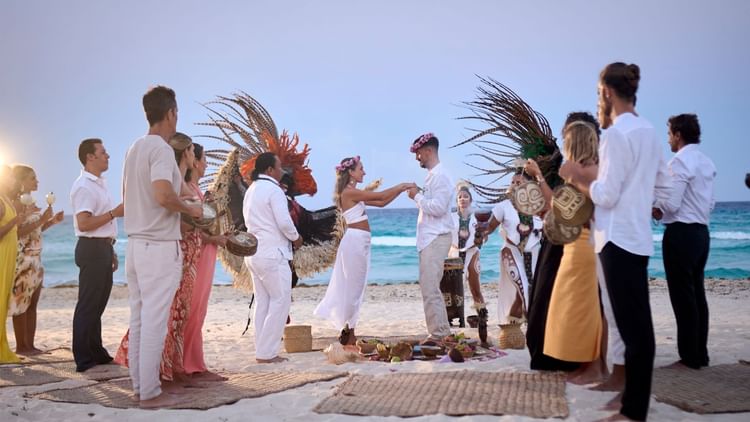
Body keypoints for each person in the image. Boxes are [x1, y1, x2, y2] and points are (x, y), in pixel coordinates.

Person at [561, 62, 671, 421]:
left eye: (597, 93)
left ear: (607, 92)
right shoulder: (650, 131)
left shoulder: (617, 135)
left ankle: (633, 411)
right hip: (637, 237)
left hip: (616, 240)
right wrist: (641, 204)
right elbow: (662, 188)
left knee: (631, 328)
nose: (598, 101)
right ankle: (631, 404)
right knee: (638, 327)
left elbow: (605, 195)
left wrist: (577, 177)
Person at [120, 86, 202, 408]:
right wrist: (191, 209)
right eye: (177, 113)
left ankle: (141, 387)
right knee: (155, 320)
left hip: (136, 245)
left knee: (140, 319)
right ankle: (151, 393)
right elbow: (163, 195)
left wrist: (182, 193)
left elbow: (134, 197)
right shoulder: (161, 150)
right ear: (170, 114)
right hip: (158, 245)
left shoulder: (134, 148)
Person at [315, 156, 413, 344]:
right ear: (350, 172)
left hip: (360, 243)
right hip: (354, 243)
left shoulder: (353, 192)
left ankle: (350, 331)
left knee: (356, 288)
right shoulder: (348, 192)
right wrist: (401, 186)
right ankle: (348, 333)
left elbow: (383, 203)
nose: (364, 172)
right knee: (353, 289)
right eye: (361, 168)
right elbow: (380, 196)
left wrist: (401, 191)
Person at [537, 121, 606, 385]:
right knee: (568, 304)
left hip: (584, 244)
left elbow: (579, 210)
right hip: (575, 244)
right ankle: (583, 362)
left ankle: (593, 364)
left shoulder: (590, 170)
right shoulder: (581, 170)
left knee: (581, 307)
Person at [653, 113, 715, 370]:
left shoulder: (679, 162)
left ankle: (689, 357)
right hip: (702, 233)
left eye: (669, 134)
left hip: (680, 233)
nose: (668, 139)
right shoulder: (706, 161)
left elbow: (672, 203)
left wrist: (654, 209)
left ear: (678, 134)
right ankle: (700, 354)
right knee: (697, 294)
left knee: (682, 297)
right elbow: (710, 203)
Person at [70, 138, 124, 372]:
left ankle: (97, 351)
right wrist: (115, 213)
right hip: (91, 249)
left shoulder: (99, 184)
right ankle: (83, 358)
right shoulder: (84, 186)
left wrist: (110, 250)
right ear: (90, 157)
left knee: (98, 303)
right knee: (88, 304)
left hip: (102, 248)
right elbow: (84, 223)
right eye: (103, 152)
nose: (108, 155)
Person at [243, 152, 302, 363]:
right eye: (279, 167)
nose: (282, 171)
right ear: (269, 170)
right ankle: (266, 353)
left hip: (254, 253)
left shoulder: (252, 189)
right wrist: (296, 238)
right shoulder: (273, 191)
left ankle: (262, 350)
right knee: (281, 301)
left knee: (263, 302)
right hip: (272, 254)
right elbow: (284, 223)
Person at [183, 142, 228, 379]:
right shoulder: (188, 190)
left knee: (199, 309)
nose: (206, 164)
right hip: (198, 255)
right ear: (195, 162)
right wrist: (215, 237)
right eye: (203, 159)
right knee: (193, 307)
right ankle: (190, 363)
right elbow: (192, 230)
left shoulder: (198, 191)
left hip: (206, 253)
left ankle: (195, 361)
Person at [478, 173, 542, 340]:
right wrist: (482, 231)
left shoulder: (538, 204)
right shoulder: (504, 206)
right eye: (512, 182)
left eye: (519, 182)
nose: (514, 184)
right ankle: (535, 330)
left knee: (531, 291)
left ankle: (513, 322)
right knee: (525, 288)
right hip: (511, 251)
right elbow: (490, 226)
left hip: (534, 252)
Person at [10, 164, 64, 355]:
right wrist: (41, 220)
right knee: (20, 306)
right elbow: (15, 233)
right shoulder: (16, 204)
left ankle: (30, 345)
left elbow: (35, 232)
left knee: (32, 305)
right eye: (32, 178)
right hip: (22, 260)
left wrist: (52, 221)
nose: (37, 181)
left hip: (36, 259)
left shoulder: (32, 203)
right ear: (22, 181)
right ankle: (21, 347)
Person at [406, 133, 454, 341]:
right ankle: (440, 331)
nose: (417, 158)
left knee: (430, 287)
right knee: (429, 286)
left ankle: (439, 334)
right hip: (430, 237)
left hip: (436, 236)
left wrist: (416, 196)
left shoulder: (440, 176)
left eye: (418, 154)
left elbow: (439, 207)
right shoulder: (434, 175)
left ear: (428, 151)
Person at [448, 183, 486, 314]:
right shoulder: (450, 218)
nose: (463, 199)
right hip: (454, 255)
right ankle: (454, 317)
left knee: (475, 289)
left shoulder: (477, 218)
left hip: (472, 253)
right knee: (454, 290)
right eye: (460, 197)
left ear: (471, 200)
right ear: (457, 201)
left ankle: (482, 316)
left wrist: (481, 237)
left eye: (466, 196)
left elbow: (484, 238)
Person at [0, 165, 26, 363]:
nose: (13, 181)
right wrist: (15, 221)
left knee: (4, 300)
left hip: (9, 255)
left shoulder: (6, 199)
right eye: (9, 177)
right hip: (2, 255)